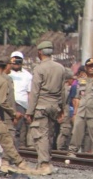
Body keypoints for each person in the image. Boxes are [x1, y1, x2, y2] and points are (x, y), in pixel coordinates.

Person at [25, 40, 65, 176]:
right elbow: (63, 90)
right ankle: (47, 161)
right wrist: (62, 109)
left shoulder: (39, 68)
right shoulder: (60, 68)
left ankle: (44, 164)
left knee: (40, 134)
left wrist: (29, 111)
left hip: (41, 105)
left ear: (40, 52)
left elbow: (35, 91)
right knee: (50, 134)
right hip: (54, 105)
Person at [68, 58, 93, 157]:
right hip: (81, 111)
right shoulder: (80, 81)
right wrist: (75, 113)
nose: (91, 68)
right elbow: (77, 98)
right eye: (89, 66)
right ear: (86, 67)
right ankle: (72, 151)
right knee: (76, 131)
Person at [9, 51, 32, 149]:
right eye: (14, 60)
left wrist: (29, 111)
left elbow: (29, 93)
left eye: (18, 60)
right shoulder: (7, 72)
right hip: (7, 103)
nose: (16, 63)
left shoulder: (28, 76)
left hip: (20, 105)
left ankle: (15, 151)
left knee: (17, 130)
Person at [56, 69, 75, 151]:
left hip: (63, 111)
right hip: (64, 111)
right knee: (64, 130)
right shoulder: (65, 89)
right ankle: (60, 148)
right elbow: (63, 101)